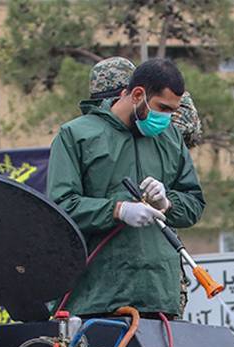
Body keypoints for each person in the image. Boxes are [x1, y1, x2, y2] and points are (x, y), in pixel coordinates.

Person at [48, 58, 205, 316]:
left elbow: (194, 204)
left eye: (172, 111)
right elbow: (61, 206)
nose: (166, 118)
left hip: (159, 296)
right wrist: (118, 210)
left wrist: (167, 203)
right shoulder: (77, 136)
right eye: (162, 108)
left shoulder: (170, 139)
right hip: (97, 296)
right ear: (138, 94)